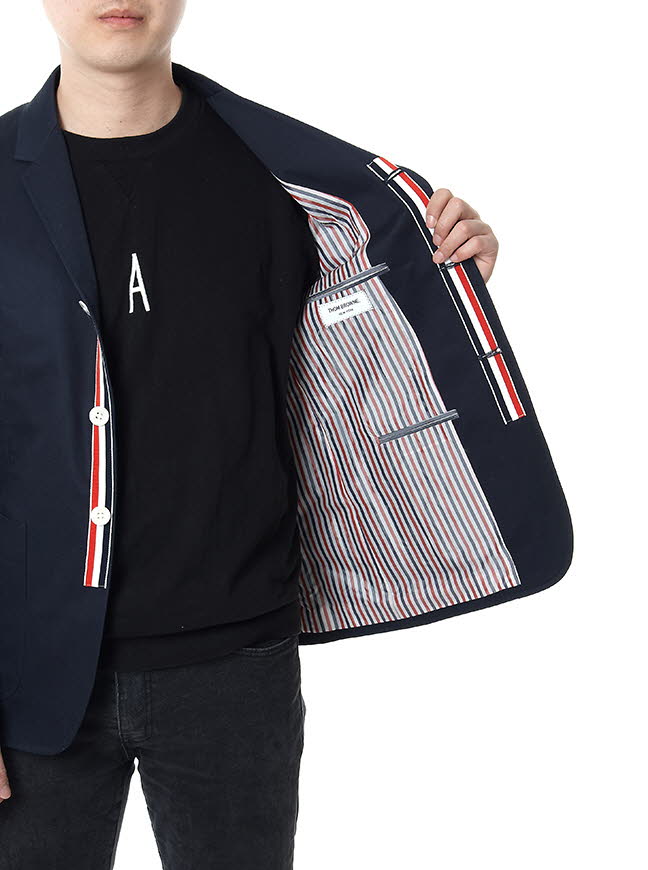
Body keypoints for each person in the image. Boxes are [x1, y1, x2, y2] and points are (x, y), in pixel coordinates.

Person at [0, 1, 573, 867]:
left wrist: (441, 270)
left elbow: (365, 330)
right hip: (28, 669)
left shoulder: (291, 181)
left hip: (237, 663)